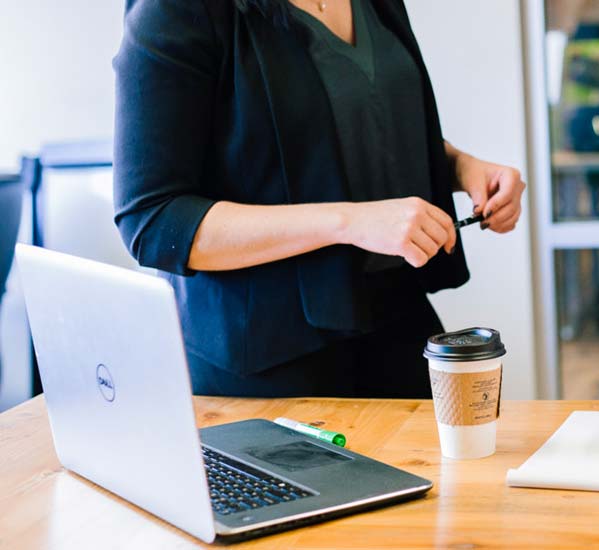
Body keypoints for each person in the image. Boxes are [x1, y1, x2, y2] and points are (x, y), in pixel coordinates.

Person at [113, 0, 525, 398]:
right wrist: (348, 222)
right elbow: (153, 219)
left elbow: (346, 124)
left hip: (395, 321)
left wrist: (460, 167)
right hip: (267, 361)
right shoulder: (175, 10)